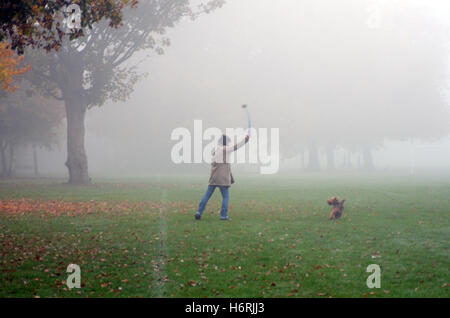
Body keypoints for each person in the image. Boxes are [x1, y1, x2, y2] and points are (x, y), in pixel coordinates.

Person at [195, 133, 250, 220]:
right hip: (223, 178)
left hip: (213, 177)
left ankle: (199, 212)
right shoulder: (226, 149)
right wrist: (245, 140)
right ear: (226, 142)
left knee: (207, 195)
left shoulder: (215, 150)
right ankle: (223, 216)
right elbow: (235, 147)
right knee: (226, 197)